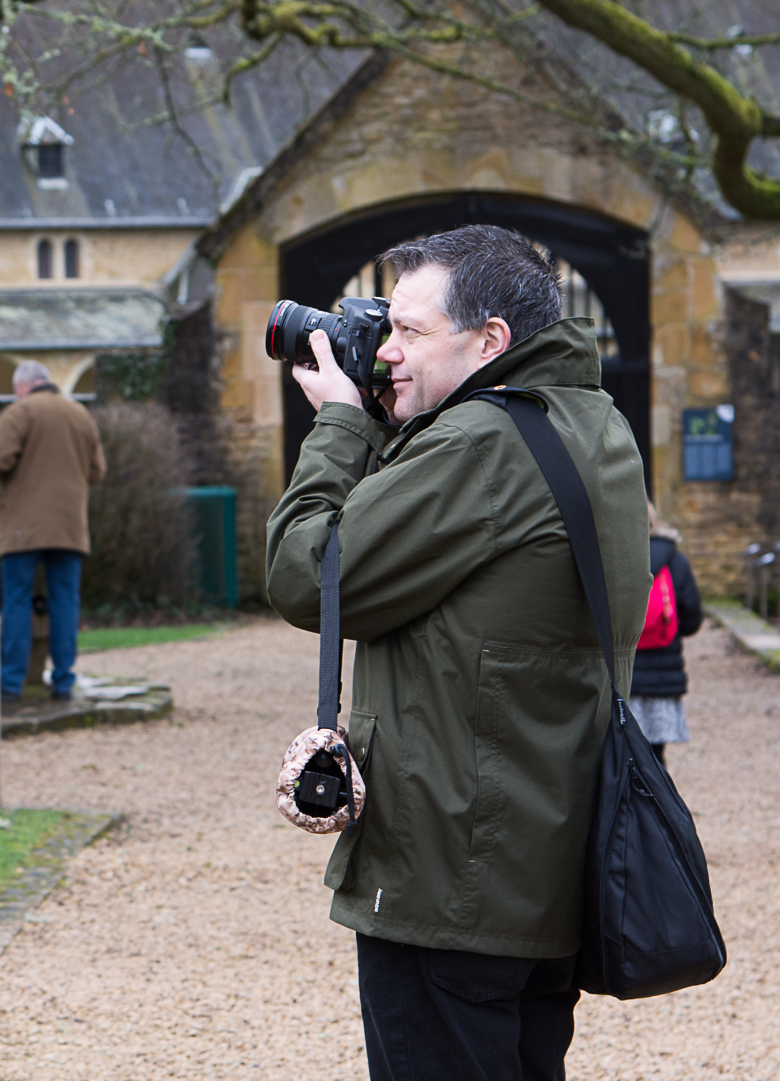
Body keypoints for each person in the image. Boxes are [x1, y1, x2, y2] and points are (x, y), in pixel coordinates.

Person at [265, 225, 651, 1081]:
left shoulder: (478, 443)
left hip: (450, 881)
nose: (386, 350)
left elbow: (306, 574)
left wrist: (338, 424)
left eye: (408, 332)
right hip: (538, 863)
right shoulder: (592, 419)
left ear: (491, 342)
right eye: (386, 325)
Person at [0, 360, 106, 701]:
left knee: (17, 601)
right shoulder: (80, 414)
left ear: (22, 386)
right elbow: (97, 471)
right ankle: (64, 682)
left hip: (24, 527)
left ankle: (11, 684)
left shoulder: (21, 412)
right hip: (69, 525)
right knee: (66, 602)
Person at [630, 504, 702, 765]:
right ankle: (656, 803)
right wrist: (668, 630)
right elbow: (693, 617)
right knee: (656, 756)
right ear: (653, 521)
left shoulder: (616, 558)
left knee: (622, 749)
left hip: (624, 674)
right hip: (664, 674)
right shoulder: (675, 560)